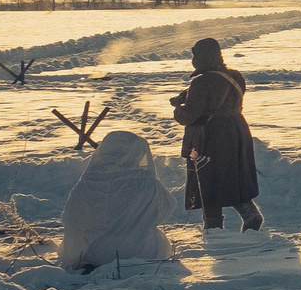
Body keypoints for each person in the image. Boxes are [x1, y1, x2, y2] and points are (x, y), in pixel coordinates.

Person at [173, 38, 263, 231]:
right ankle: (250, 213)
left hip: (211, 135)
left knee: (209, 179)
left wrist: (178, 109)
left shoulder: (202, 81)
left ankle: (213, 227)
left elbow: (190, 115)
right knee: (233, 175)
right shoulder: (235, 76)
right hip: (237, 129)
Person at [59, 130, 178, 272]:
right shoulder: (147, 182)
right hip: (137, 253)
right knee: (160, 242)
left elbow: (69, 217)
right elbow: (165, 210)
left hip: (89, 254)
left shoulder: (87, 181)